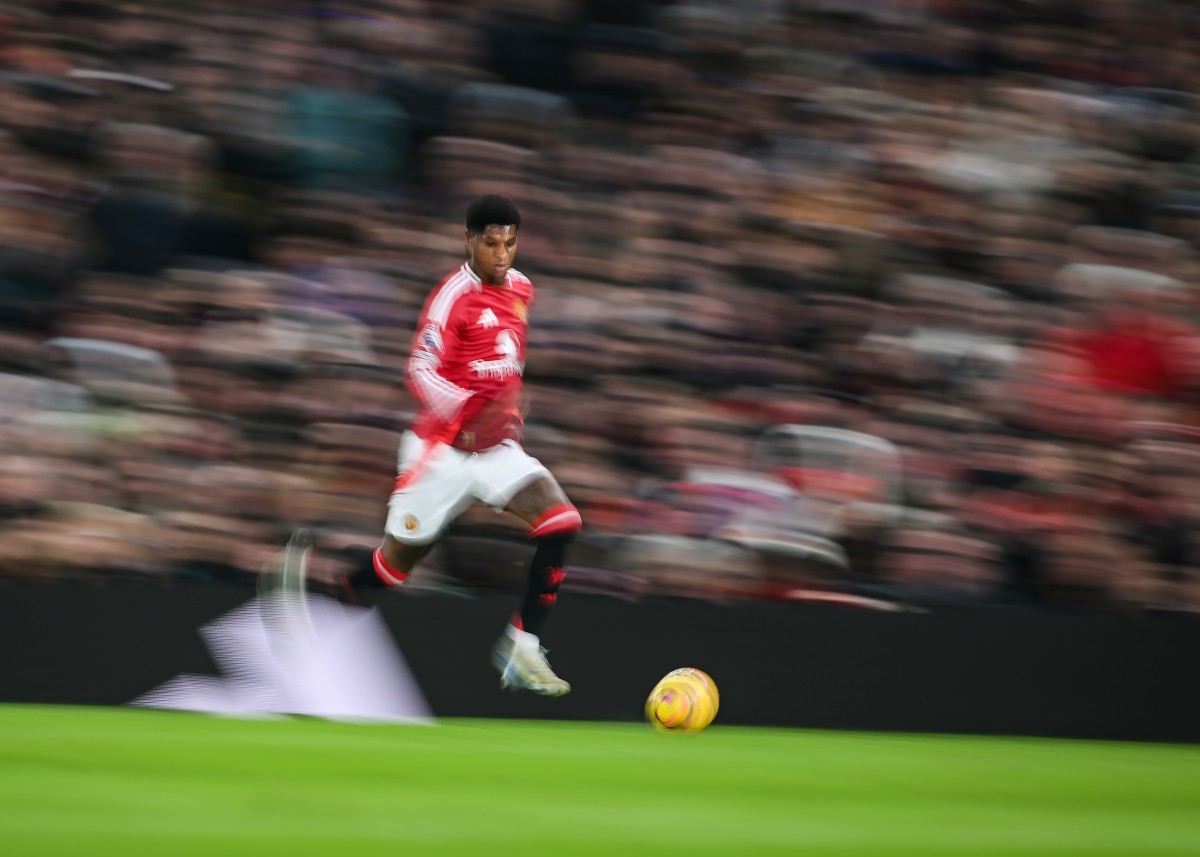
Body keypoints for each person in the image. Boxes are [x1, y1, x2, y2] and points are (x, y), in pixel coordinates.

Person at [279, 194, 580, 696]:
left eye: (509, 243)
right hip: (441, 452)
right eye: (490, 243)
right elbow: (420, 370)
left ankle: (522, 646)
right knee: (394, 568)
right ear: (469, 241)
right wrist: (467, 405)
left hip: (496, 451)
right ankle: (319, 597)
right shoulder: (451, 297)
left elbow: (505, 361)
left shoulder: (523, 288)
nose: (501, 254)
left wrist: (507, 405)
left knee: (562, 522)